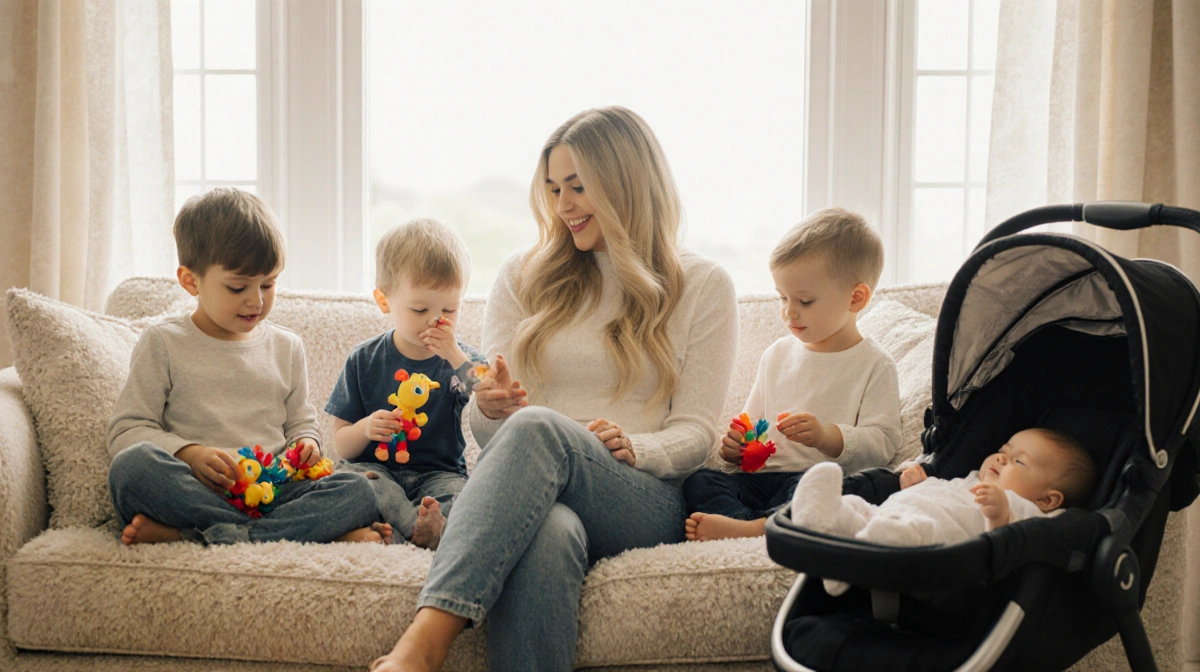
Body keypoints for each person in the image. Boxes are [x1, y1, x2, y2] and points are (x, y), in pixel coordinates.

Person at [370, 106, 738, 671]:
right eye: (552, 188)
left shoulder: (703, 285)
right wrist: (489, 407)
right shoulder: (522, 276)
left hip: (640, 494)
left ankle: (424, 644)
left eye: (578, 187)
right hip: (531, 490)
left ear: (627, 185)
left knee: (538, 425)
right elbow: (492, 430)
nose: (563, 206)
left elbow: (695, 430)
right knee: (548, 530)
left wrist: (637, 447)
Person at [106, 188, 385, 546]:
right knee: (131, 468)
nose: (256, 300)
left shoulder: (287, 346)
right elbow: (126, 431)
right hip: (196, 489)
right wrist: (190, 454)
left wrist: (306, 443)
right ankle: (275, 534)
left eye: (268, 284)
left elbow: (301, 421)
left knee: (358, 488)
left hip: (273, 494)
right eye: (238, 287)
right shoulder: (163, 343)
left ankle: (200, 535)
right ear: (191, 280)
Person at [683, 209, 902, 542]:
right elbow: (752, 427)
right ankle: (752, 525)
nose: (789, 312)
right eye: (783, 297)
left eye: (804, 300)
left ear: (856, 298)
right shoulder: (777, 355)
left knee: (830, 491)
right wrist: (738, 449)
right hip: (765, 482)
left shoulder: (874, 364)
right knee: (700, 481)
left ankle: (756, 528)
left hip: (818, 479)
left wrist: (827, 436)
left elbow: (884, 444)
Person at [327, 219, 487, 549]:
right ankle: (417, 527)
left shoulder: (460, 358)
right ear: (385, 301)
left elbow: (488, 391)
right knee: (349, 482)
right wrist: (367, 427)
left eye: (449, 309)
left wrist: (454, 354)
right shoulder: (364, 359)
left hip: (439, 475)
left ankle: (400, 528)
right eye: (419, 309)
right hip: (376, 471)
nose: (436, 320)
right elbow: (341, 445)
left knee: (471, 498)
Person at [790, 427, 1096, 594]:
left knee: (913, 531)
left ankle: (857, 556)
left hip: (930, 545)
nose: (1002, 459)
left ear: (1048, 500)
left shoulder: (1033, 513)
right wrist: (913, 482)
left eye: (1019, 461)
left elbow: (1018, 548)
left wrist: (1002, 517)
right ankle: (828, 522)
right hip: (889, 513)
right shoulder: (972, 478)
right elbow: (941, 490)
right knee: (858, 506)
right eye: (1003, 451)